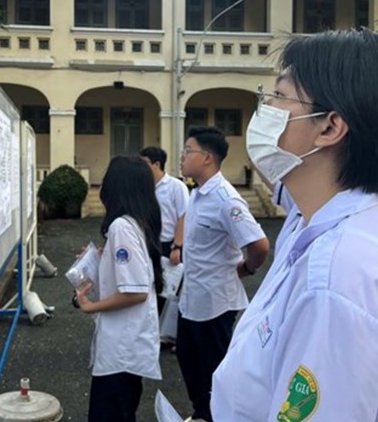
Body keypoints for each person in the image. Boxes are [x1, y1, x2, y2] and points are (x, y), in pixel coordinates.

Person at [211, 29, 378, 421]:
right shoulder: (326, 223)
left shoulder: (336, 279)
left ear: (329, 127)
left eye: (279, 95)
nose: (264, 108)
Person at [177, 126, 270, 422]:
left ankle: (215, 416)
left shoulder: (225, 199)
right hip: (191, 298)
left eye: (188, 151)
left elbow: (259, 244)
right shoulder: (197, 194)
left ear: (207, 157)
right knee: (189, 361)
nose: (182, 156)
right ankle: (201, 413)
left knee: (215, 371)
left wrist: (247, 267)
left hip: (216, 303)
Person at [74, 156, 163, 422]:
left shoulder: (121, 226)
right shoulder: (135, 222)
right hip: (127, 345)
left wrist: (90, 306)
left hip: (122, 347)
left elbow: (136, 291)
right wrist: (103, 259)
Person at [140, 146, 189, 347]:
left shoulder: (176, 187)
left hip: (170, 245)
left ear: (156, 164)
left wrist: (177, 246)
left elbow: (184, 216)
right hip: (149, 244)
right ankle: (155, 334)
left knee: (173, 291)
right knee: (153, 288)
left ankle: (174, 336)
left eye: (145, 163)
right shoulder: (144, 187)